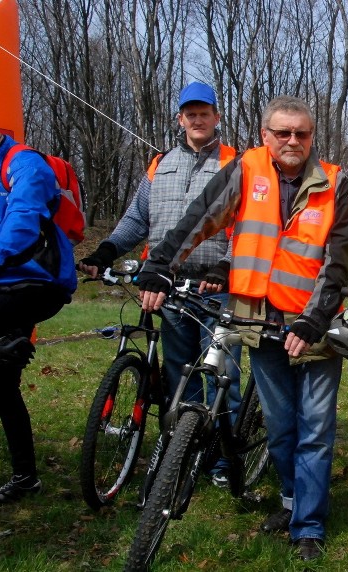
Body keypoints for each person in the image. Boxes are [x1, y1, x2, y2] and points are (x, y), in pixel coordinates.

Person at [135, 95, 348, 561]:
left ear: (311, 137)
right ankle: (293, 501)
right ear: (265, 135)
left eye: (302, 133)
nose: (293, 140)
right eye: (283, 133)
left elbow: (338, 262)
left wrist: (315, 320)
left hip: (313, 327)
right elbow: (199, 217)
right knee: (279, 428)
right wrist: (159, 264)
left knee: (314, 429)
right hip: (258, 324)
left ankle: (310, 527)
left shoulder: (336, 183)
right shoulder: (245, 170)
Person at [78, 82, 242, 485]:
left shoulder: (237, 164)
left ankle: (225, 459)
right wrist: (105, 251)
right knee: (178, 371)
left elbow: (247, 227)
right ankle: (180, 450)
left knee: (222, 376)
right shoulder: (160, 163)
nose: (197, 119)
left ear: (217, 117)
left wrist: (226, 265)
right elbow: (137, 219)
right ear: (180, 118)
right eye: (190, 113)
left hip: (216, 288)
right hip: (167, 284)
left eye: (205, 112)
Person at [0, 133, 77, 503]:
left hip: (33, 281)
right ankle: (25, 477)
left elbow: (23, 217)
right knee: (2, 385)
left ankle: (8, 344)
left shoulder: (24, 163)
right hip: (7, 285)